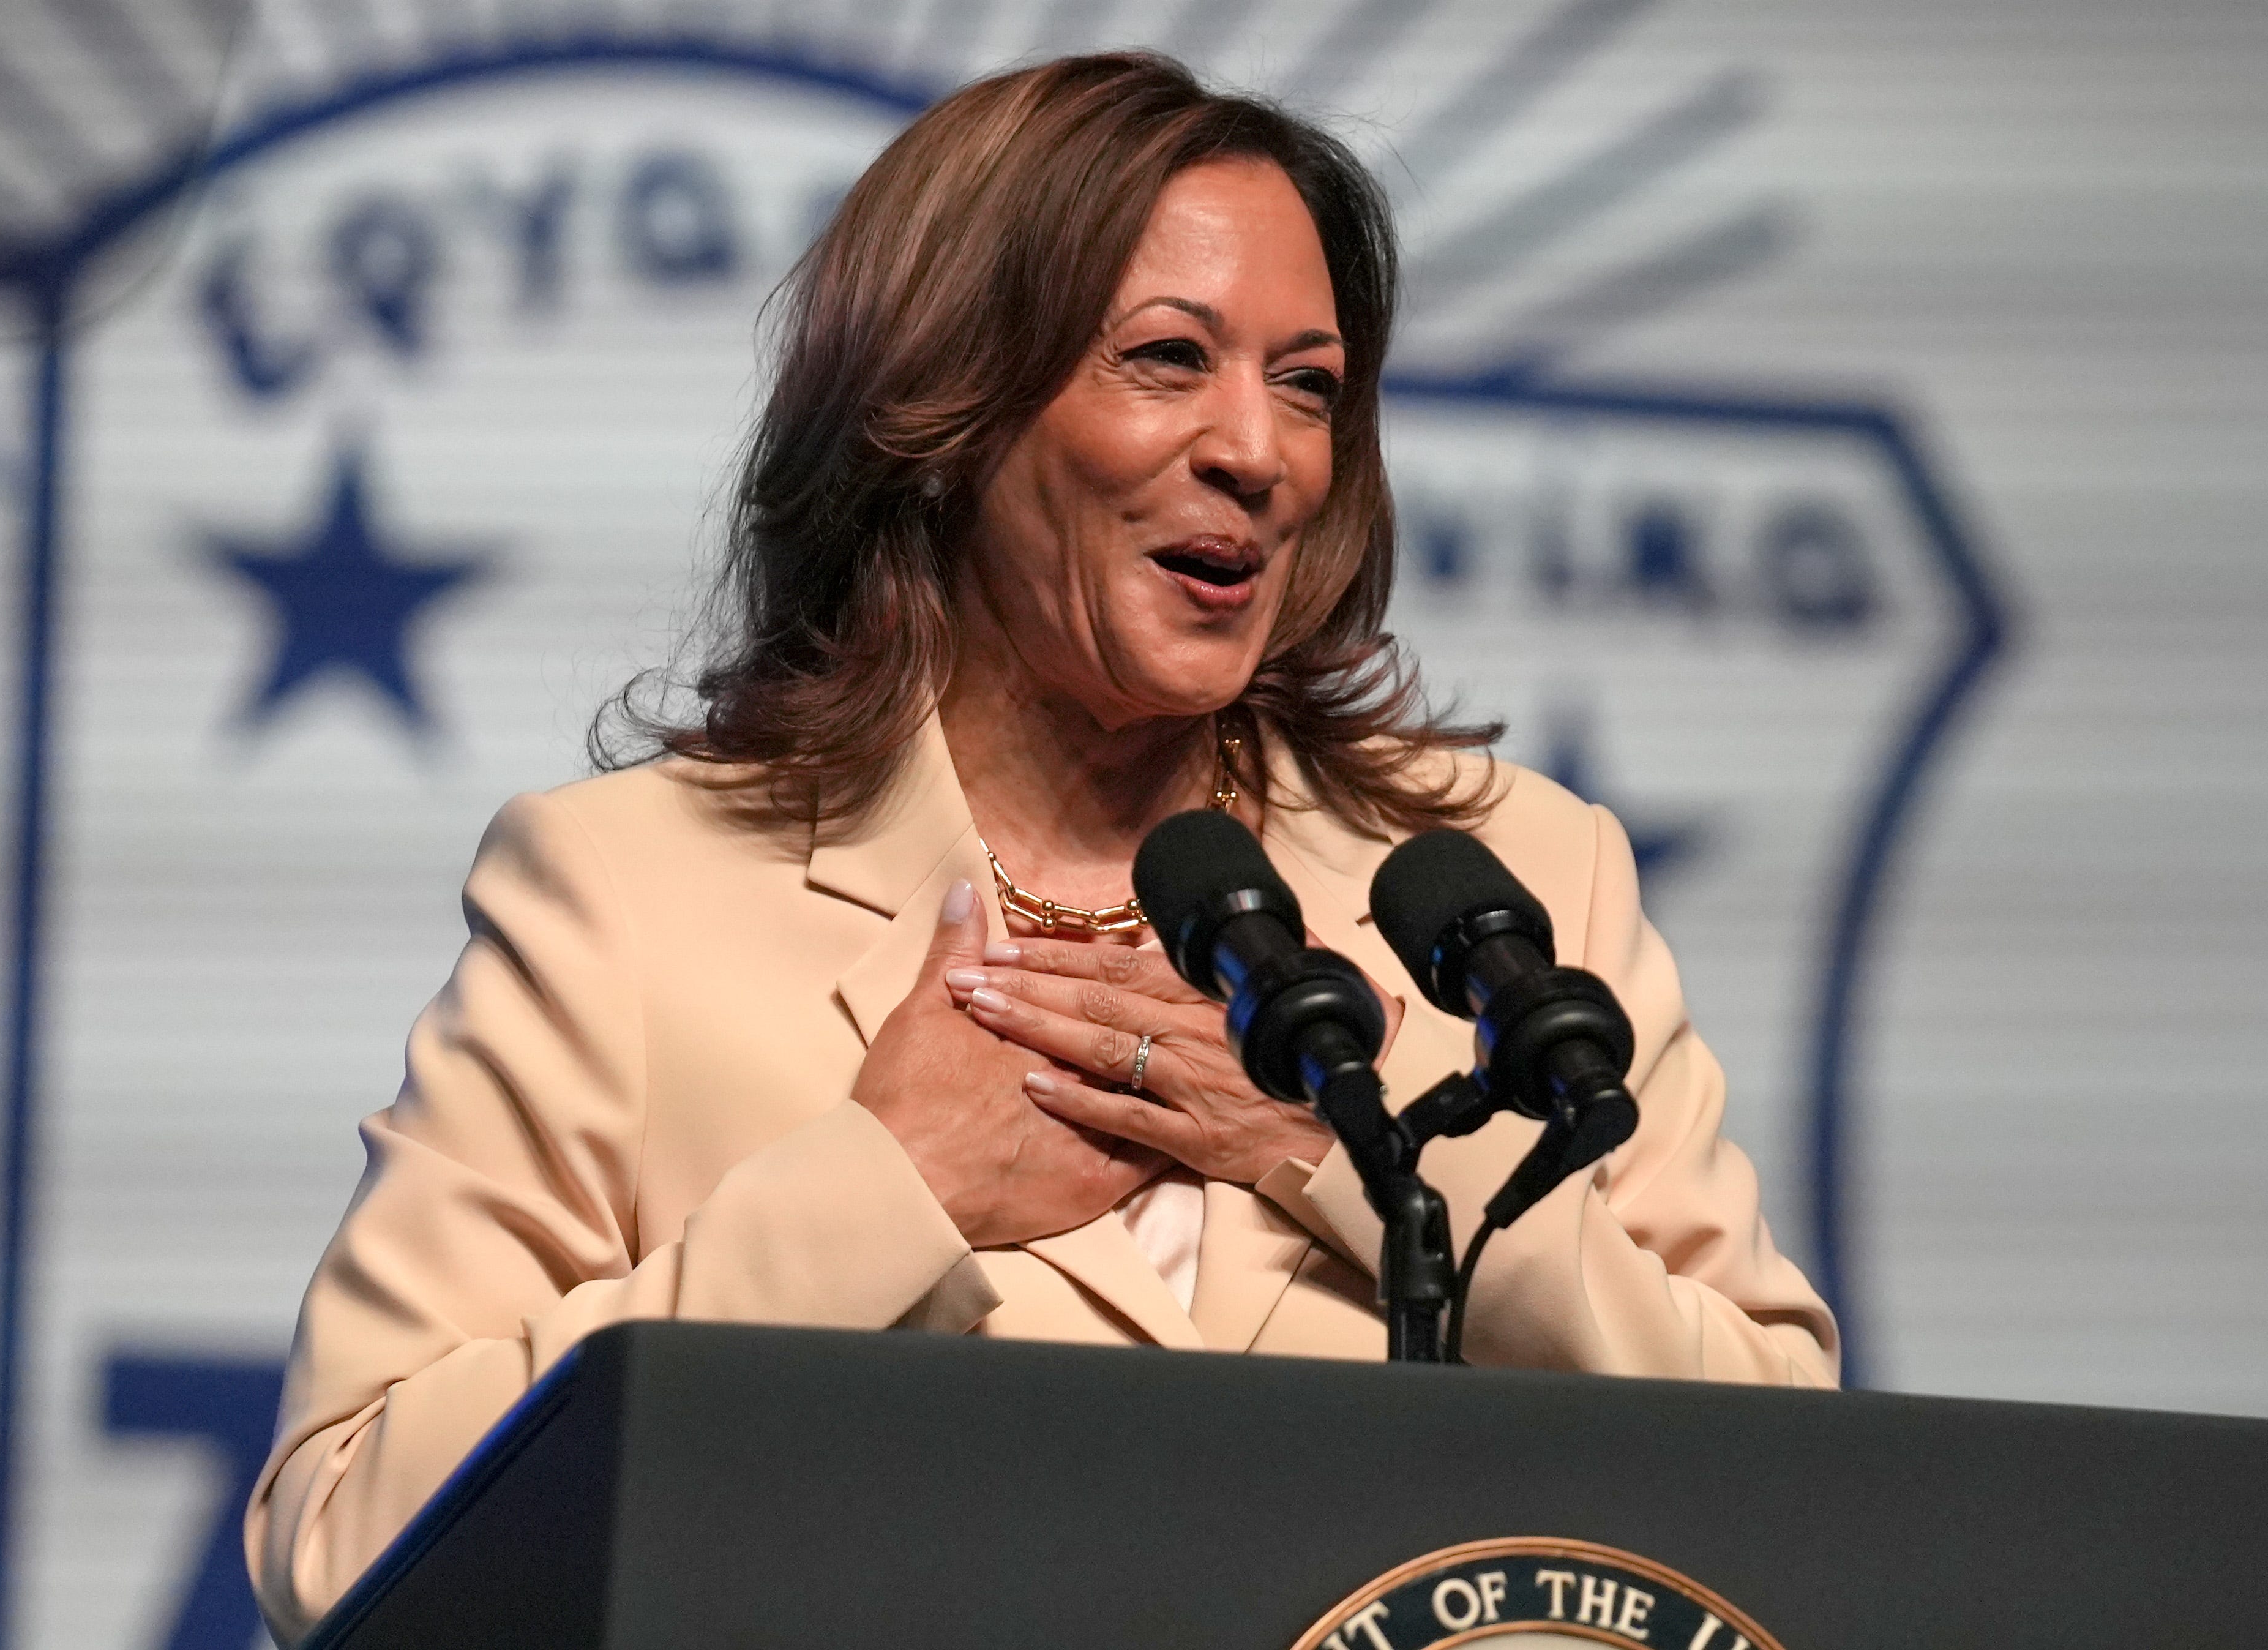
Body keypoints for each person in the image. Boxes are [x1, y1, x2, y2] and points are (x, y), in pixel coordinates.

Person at [246, 51, 1839, 1643]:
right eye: (1169, 359)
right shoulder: (635, 899)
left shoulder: (1511, 875)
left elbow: (1803, 1473)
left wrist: (1361, 1159)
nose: (1261, 452)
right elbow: (344, 1539)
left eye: (1308, 383)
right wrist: (882, 1190)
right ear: (942, 410)